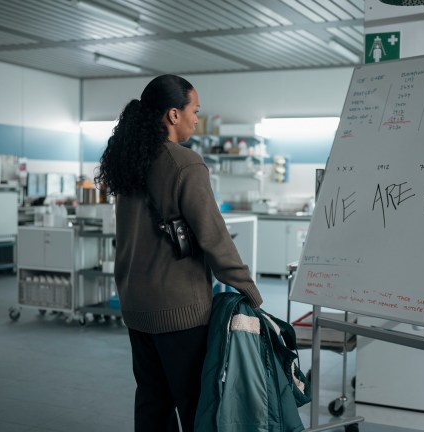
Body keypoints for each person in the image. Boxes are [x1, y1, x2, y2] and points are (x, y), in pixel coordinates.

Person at [95, 74, 263, 431]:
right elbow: (214, 237)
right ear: (173, 114)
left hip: (135, 303)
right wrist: (248, 289)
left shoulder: (129, 160)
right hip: (178, 309)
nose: (196, 118)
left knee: (152, 401)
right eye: (194, 110)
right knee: (195, 404)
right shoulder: (185, 163)